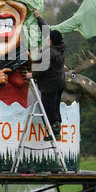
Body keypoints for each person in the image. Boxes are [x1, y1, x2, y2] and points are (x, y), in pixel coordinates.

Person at [26, 9, 66, 141]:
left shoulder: (49, 52)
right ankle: (56, 129)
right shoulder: (59, 48)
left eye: (49, 38)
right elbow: (48, 31)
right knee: (55, 106)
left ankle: (55, 131)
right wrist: (38, 18)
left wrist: (32, 75)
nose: (47, 37)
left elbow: (43, 69)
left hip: (50, 85)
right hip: (60, 82)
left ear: (51, 41)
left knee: (49, 108)